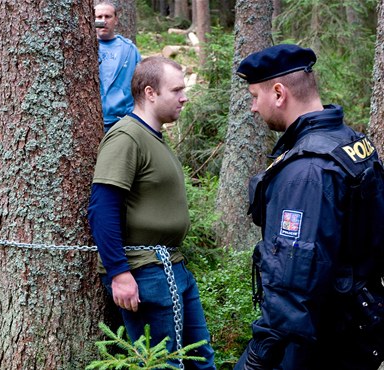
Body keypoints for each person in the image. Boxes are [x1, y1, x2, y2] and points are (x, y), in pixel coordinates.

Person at [234, 44, 384, 369]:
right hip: (354, 331)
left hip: (320, 344)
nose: (252, 108)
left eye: (254, 96)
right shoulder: (351, 142)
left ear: (278, 93)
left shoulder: (308, 171)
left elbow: (292, 286)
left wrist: (256, 360)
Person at [88, 56, 216, 369]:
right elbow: (101, 208)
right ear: (150, 93)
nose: (184, 97)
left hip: (173, 266)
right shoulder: (126, 137)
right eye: (176, 90)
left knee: (200, 359)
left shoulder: (153, 137)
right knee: (163, 364)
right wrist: (119, 273)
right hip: (145, 271)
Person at [95, 0, 141, 132]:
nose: (103, 21)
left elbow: (141, 84)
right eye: (99, 17)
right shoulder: (84, 49)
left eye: (108, 17)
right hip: (92, 119)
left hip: (122, 121)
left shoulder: (129, 50)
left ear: (115, 20)